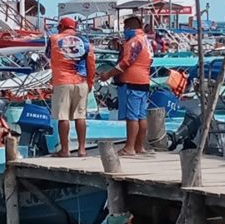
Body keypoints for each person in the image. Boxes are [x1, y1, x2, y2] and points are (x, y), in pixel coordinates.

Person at [99, 16, 153, 156]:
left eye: (124, 28)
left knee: (132, 116)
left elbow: (125, 63)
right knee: (141, 115)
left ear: (129, 28)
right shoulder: (147, 41)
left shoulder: (134, 41)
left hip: (132, 81)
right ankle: (139, 146)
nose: (123, 31)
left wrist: (108, 74)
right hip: (144, 80)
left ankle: (129, 147)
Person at [48, 16, 95, 157]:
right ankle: (82, 149)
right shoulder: (85, 41)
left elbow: (49, 56)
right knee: (80, 116)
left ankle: (65, 150)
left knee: (63, 117)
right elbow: (91, 64)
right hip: (81, 81)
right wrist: (90, 81)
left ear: (61, 26)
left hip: (62, 81)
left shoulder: (54, 39)